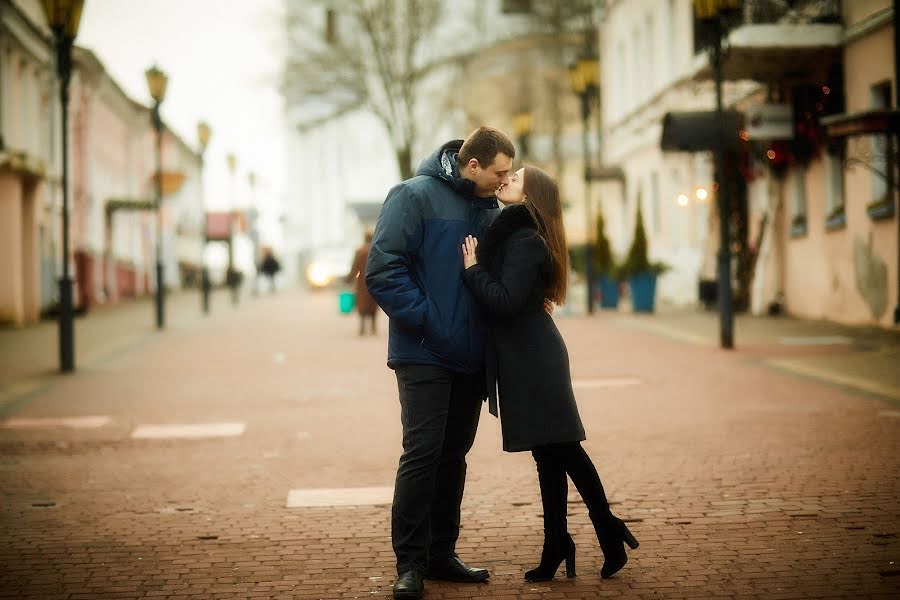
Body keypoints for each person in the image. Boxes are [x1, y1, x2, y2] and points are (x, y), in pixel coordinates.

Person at [460, 165, 639, 583]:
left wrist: (471, 269)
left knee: (563, 449)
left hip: (534, 359)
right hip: (528, 354)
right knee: (550, 454)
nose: (506, 180)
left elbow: (503, 301)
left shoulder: (524, 240)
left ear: (531, 195)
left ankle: (602, 531)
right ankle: (561, 540)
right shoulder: (516, 234)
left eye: (515, 178)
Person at [365, 126, 515, 600]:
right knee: (423, 454)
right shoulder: (413, 196)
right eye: (499, 173)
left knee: (454, 457)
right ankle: (409, 564)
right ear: (473, 165)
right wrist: (431, 321)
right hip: (424, 352)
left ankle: (440, 553)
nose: (504, 181)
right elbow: (383, 270)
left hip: (472, 356)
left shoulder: (490, 207)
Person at [346, 232, 378, 335]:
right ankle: (373, 327)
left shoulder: (360, 251)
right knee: (373, 304)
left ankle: (362, 327)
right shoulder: (376, 250)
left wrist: (349, 279)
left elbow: (355, 267)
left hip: (362, 282)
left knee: (362, 304)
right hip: (374, 280)